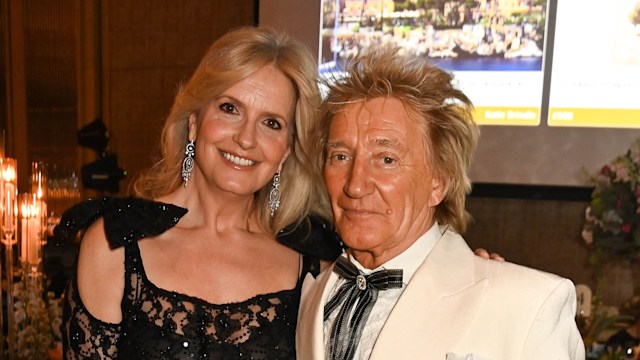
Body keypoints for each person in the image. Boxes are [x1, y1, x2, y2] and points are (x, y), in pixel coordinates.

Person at [55, 26, 342, 359]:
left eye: (271, 123)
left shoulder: (315, 264)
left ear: (287, 150)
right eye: (230, 109)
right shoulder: (114, 245)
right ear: (194, 121)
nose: (246, 139)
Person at [296, 47, 586, 359]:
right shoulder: (309, 295)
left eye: (386, 159)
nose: (354, 184)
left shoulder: (529, 305)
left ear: (439, 182)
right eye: (340, 156)